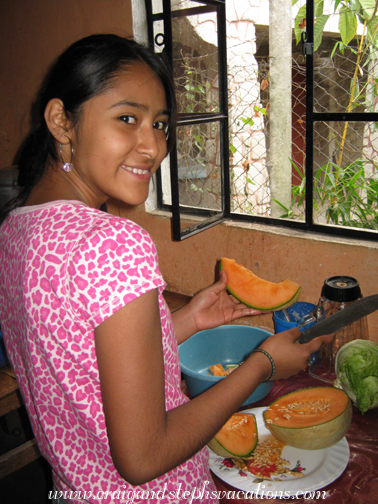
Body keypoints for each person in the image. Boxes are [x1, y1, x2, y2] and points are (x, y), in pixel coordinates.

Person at [0, 34, 334, 504]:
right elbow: (144, 457)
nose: (153, 146)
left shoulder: (16, 230)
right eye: (127, 119)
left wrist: (182, 322)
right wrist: (265, 364)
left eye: (160, 124)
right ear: (61, 121)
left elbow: (76, 362)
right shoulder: (111, 242)